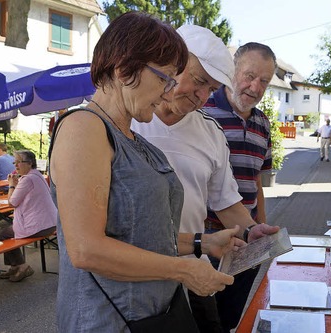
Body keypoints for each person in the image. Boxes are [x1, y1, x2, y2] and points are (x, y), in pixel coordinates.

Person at [50, 12, 241, 332]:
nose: (168, 92)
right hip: (106, 321)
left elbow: (144, 236)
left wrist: (203, 243)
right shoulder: (83, 128)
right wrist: (184, 272)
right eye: (164, 78)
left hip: (153, 317)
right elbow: (86, 249)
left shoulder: (135, 140)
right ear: (125, 69)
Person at [132, 25, 280, 332]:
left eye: (210, 89)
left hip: (194, 265)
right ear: (170, 65)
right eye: (198, 81)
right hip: (136, 271)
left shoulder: (211, 132)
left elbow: (226, 201)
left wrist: (252, 230)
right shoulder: (130, 119)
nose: (201, 97)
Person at [203, 42, 277, 332]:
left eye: (264, 81)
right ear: (232, 69)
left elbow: (257, 181)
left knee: (231, 319)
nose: (255, 87)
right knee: (205, 319)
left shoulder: (263, 123)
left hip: (246, 240)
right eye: (249, 76)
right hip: (207, 240)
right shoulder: (203, 112)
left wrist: (262, 229)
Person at [0, 150, 56, 282]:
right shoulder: (37, 175)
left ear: (29, 163)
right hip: (51, 222)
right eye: (15, 162)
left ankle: (21, 266)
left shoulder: (27, 179)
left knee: (4, 234)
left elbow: (12, 202)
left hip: (40, 226)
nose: (16, 165)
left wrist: (12, 185)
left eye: (19, 162)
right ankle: (15, 266)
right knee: (8, 231)